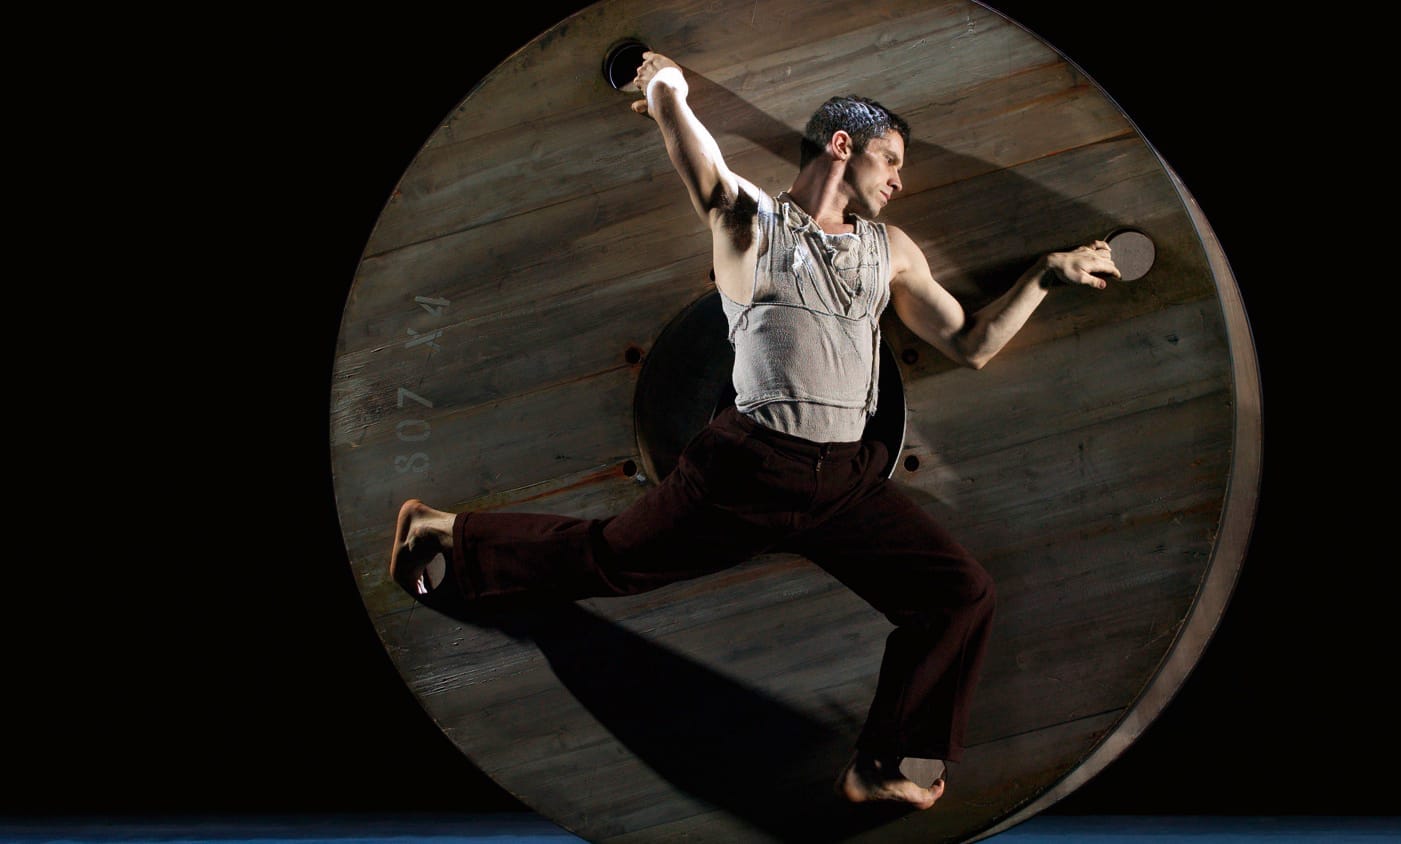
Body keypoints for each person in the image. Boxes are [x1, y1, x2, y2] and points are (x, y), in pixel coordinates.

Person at [390, 51, 1118, 811]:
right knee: (613, 562)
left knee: (962, 594)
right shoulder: (752, 222)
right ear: (842, 143)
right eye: (891, 159)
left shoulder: (891, 250)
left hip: (847, 484)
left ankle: (880, 764)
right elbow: (692, 151)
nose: (901, 179)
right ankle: (444, 531)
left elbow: (971, 345)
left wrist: (1046, 275)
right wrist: (665, 86)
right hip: (748, 469)